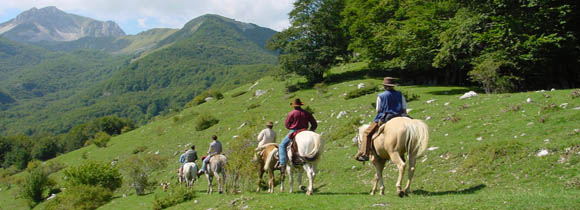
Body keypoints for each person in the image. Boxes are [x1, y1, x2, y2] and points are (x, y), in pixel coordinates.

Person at [354, 77, 410, 161]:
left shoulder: (381, 96)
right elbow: (404, 108)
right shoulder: (400, 94)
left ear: (384, 86)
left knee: (366, 133)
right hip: (400, 115)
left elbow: (378, 110)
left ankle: (364, 154)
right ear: (393, 86)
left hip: (386, 117)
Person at [276, 98, 317, 170]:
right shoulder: (307, 113)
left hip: (294, 131)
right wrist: (311, 131)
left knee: (282, 145)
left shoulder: (291, 113)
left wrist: (292, 127)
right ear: (300, 105)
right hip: (305, 131)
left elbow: (287, 125)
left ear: (294, 106)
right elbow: (314, 124)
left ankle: (282, 163)